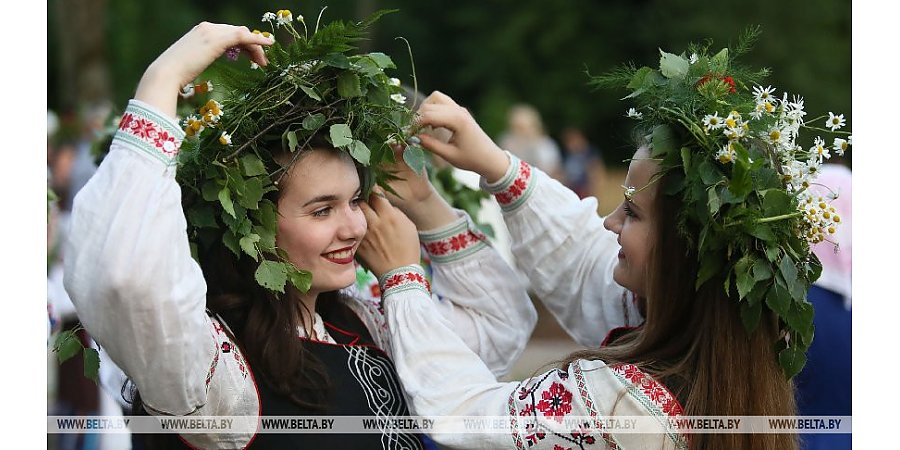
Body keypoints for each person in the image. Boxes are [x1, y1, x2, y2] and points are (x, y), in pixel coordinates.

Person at [360, 32, 849, 449]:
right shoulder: (728, 350)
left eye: (633, 212)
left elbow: (466, 415)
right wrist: (488, 170)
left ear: (683, 254)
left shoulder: (621, 406)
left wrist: (402, 277)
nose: (611, 221)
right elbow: (582, 265)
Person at [64, 17, 536, 449]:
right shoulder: (214, 372)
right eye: (321, 210)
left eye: (354, 200)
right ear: (254, 225)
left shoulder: (364, 324)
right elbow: (125, 277)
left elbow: (500, 327)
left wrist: (421, 204)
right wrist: (163, 80)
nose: (355, 226)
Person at [498, 104, 563, 180]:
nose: (518, 132)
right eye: (515, 127)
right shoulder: (505, 141)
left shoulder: (546, 145)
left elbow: (553, 172)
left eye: (521, 127)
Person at [560, 126, 604, 199]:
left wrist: (592, 188)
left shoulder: (590, 153)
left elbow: (596, 173)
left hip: (584, 189)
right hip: (569, 188)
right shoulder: (566, 155)